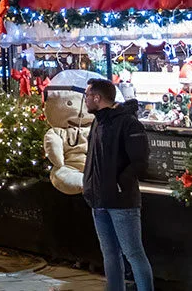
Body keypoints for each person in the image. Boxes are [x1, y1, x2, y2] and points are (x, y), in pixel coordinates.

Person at [83, 76, 153, 291]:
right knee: (110, 254)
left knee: (133, 253)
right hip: (99, 199)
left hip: (122, 202)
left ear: (97, 97)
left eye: (86, 96)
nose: (84, 100)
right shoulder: (98, 122)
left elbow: (140, 161)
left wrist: (119, 183)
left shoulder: (127, 122)